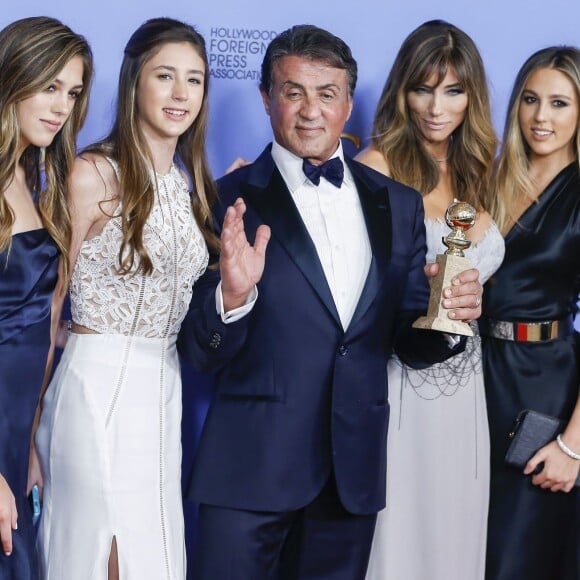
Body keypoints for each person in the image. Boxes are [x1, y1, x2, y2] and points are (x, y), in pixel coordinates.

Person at [178, 24, 484, 579]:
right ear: (267, 98)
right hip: (250, 470)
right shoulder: (224, 197)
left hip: (351, 476)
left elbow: (406, 339)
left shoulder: (398, 203)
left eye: (326, 94)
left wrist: (449, 318)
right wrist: (232, 295)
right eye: (293, 92)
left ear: (348, 104)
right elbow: (201, 353)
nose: (310, 111)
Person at [34, 17, 218, 580]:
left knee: (154, 557)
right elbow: (44, 304)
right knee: (99, 555)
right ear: (135, 81)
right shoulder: (91, 173)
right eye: (166, 76)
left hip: (162, 390)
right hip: (93, 390)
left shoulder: (189, 188)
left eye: (195, 79)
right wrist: (27, 425)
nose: (181, 93)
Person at [356, 20, 504, 580]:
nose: (435, 107)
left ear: (472, 96)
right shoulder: (376, 166)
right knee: (399, 537)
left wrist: (475, 297)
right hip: (401, 380)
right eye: (422, 88)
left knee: (455, 535)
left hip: (467, 389)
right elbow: (355, 287)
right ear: (402, 91)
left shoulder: (479, 172)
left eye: (453, 91)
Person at [480, 46, 580, 580]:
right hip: (477, 378)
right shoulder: (491, 179)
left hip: (545, 387)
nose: (542, 117)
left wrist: (573, 446)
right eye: (531, 100)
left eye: (560, 103)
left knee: (518, 558)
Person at [0, 16, 92, 579]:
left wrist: (29, 442)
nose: (62, 106)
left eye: (74, 92)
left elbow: (37, 332)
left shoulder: (30, 183)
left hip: (12, 434)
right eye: (50, 86)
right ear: (13, 76)